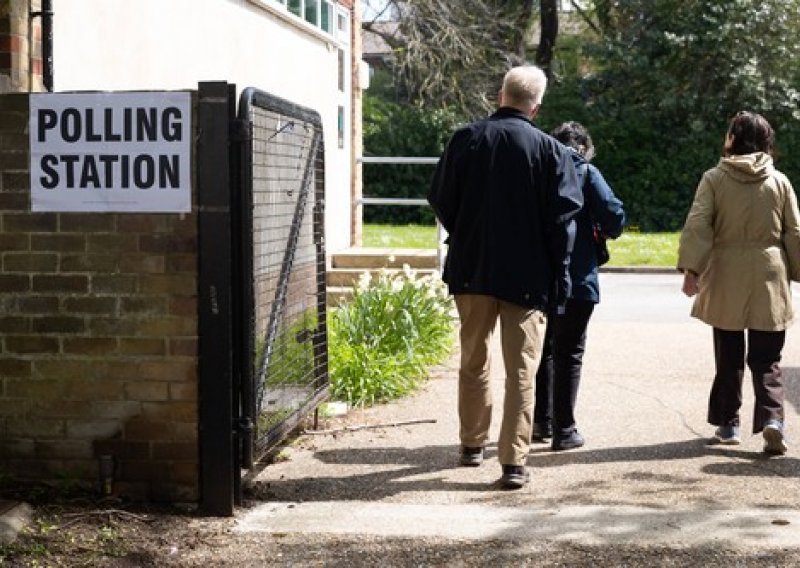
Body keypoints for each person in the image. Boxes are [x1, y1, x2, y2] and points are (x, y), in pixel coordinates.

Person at [427, 65, 584, 489]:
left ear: (501, 94)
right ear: (537, 104)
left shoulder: (466, 140)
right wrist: (560, 275)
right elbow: (563, 221)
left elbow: (441, 199)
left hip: (473, 268)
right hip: (528, 275)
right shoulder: (552, 151)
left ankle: (471, 443)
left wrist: (466, 232)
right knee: (522, 369)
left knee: (473, 360)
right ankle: (514, 460)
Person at [677, 110, 800, 455]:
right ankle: (773, 419)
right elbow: (795, 232)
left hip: (727, 271)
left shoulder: (715, 178)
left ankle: (728, 424)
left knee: (728, 354)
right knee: (768, 357)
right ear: (766, 142)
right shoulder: (779, 181)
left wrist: (692, 269)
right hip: (769, 272)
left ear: (732, 139)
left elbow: (699, 224)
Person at [532, 122, 626, 450]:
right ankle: (565, 430)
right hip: (579, 275)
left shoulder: (538, 171)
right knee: (569, 352)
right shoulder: (587, 172)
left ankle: (540, 423)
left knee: (543, 350)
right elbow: (614, 216)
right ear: (584, 147)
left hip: (540, 277)